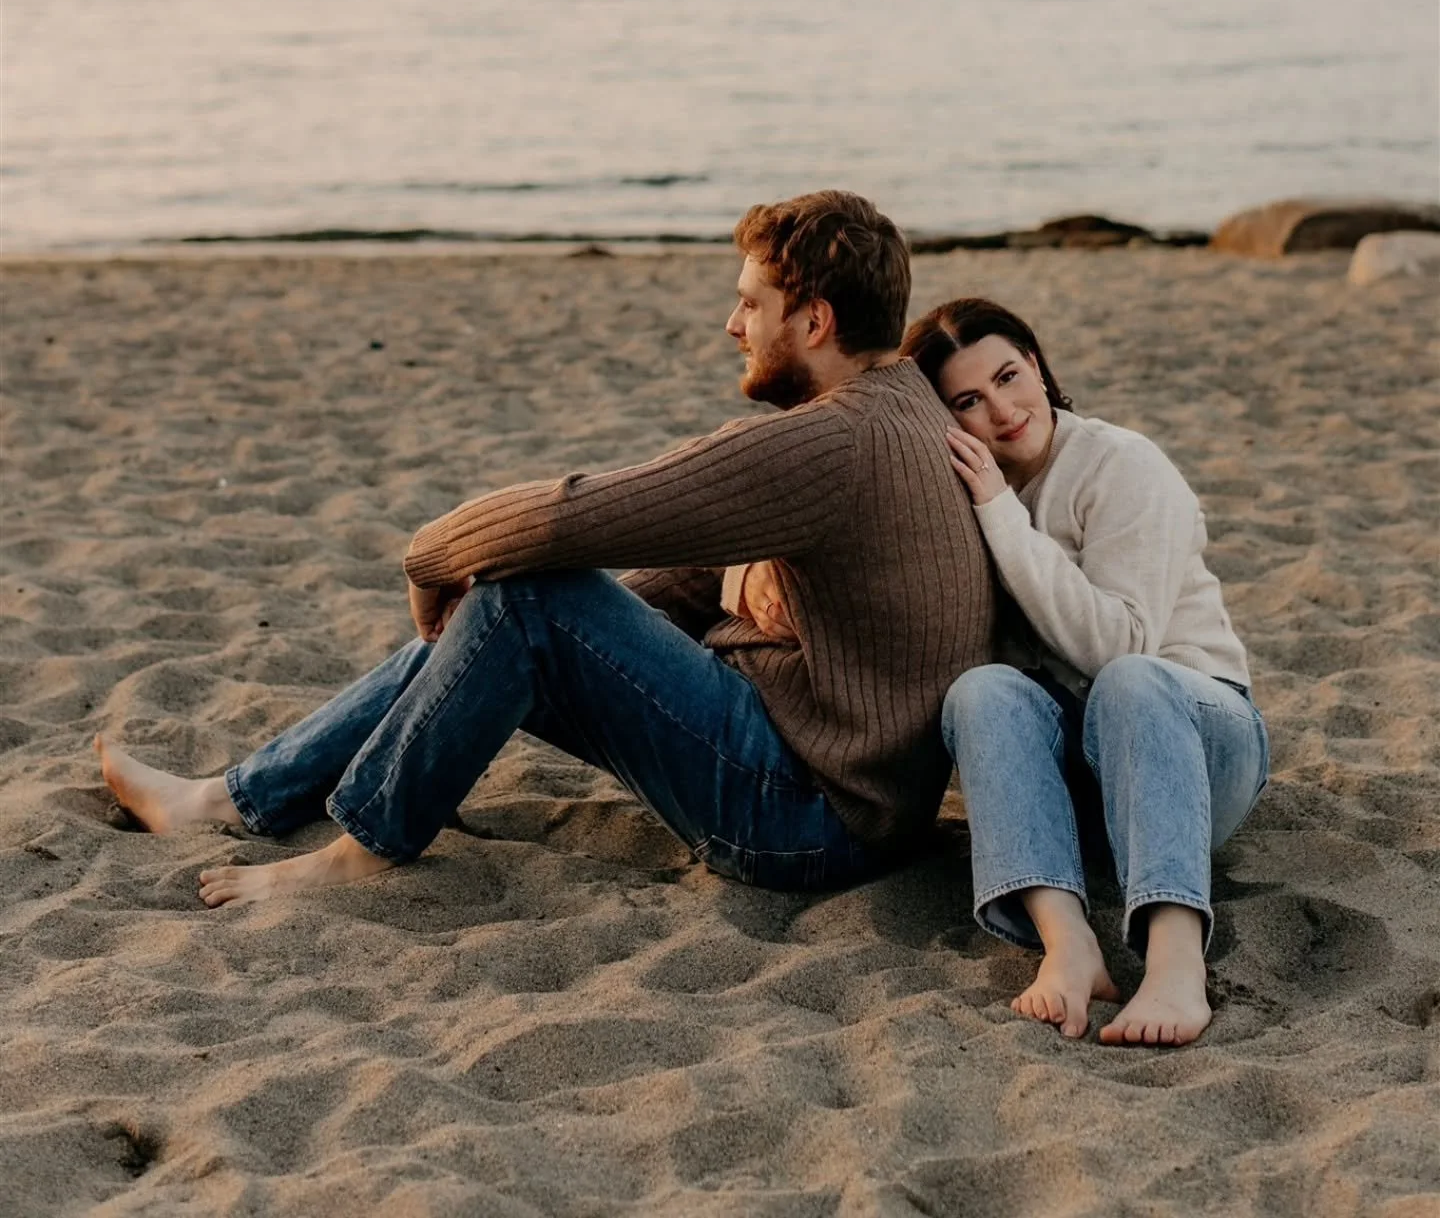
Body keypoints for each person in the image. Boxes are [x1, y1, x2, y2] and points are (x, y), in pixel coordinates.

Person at [96, 191, 997, 908]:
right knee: (516, 615)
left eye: (750, 304)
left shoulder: (831, 444)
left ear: (814, 322)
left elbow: (577, 514)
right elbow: (686, 577)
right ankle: (227, 801)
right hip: (860, 796)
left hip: (809, 820)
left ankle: (362, 847)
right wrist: (554, 638)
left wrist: (431, 561)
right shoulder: (899, 405)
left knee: (523, 595)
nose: (732, 326)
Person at [901, 296, 1267, 1048]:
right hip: (1082, 786)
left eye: (1009, 376)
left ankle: (1173, 963)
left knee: (1130, 677)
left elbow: (1119, 644)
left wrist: (1002, 512)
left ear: (1036, 364)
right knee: (981, 692)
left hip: (1198, 745)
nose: (1002, 410)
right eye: (968, 400)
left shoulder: (1119, 463)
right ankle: (1069, 947)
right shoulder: (954, 495)